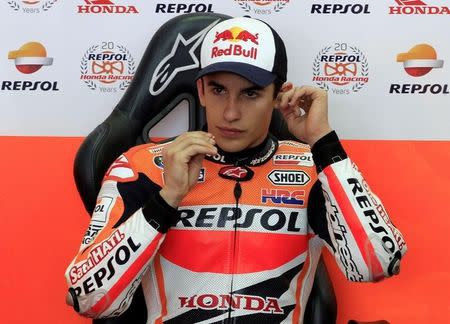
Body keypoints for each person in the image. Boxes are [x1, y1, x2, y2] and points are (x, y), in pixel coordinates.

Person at [65, 16, 407, 323]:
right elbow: (88, 300)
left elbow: (376, 264)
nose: (230, 113)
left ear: (278, 97)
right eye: (218, 90)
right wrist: (166, 200)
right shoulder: (145, 166)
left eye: (250, 94)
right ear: (200, 90)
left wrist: (324, 144)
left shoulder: (309, 168)